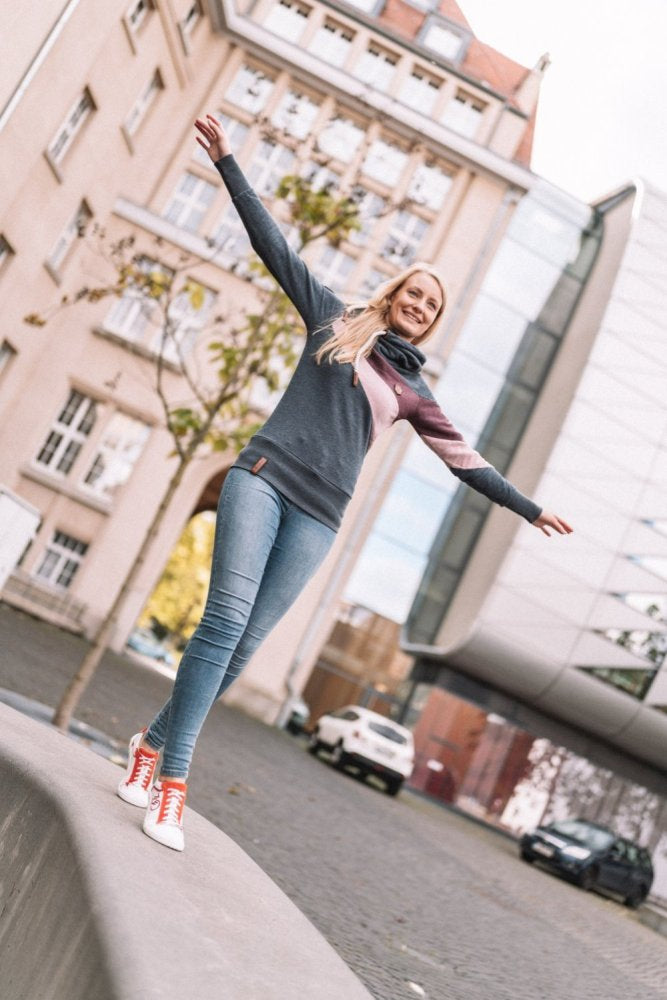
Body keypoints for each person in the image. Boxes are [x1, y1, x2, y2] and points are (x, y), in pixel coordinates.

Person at [116, 115, 573, 851]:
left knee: (244, 646)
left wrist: (530, 508)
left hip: (318, 517)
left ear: (430, 323)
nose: (417, 306)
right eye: (412, 293)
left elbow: (468, 464)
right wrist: (230, 162)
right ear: (396, 293)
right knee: (223, 620)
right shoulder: (332, 320)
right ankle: (172, 781)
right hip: (262, 479)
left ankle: (150, 741)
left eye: (430, 306)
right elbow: (274, 245)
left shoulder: (416, 393)